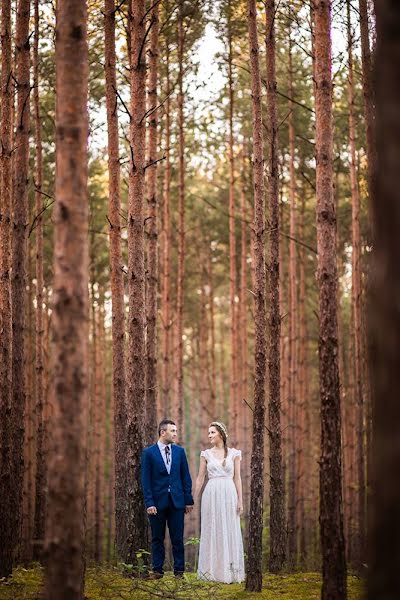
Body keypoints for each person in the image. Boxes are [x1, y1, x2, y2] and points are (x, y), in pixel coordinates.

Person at [141, 419, 194, 579]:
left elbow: (186, 477)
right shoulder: (149, 453)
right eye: (173, 431)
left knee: (177, 538)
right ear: (162, 432)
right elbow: (146, 480)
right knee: (157, 538)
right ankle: (157, 571)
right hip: (157, 504)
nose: (175, 434)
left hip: (177, 502)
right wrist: (149, 502)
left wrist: (188, 499)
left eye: (176, 431)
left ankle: (179, 572)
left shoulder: (179, 451)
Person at [194, 421, 245, 583]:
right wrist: (193, 498)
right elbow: (200, 478)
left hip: (229, 493)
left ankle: (230, 572)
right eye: (208, 433)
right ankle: (211, 571)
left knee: (229, 528)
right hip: (211, 494)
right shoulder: (205, 454)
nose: (209, 435)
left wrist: (240, 500)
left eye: (212, 432)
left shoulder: (234, 454)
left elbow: (237, 478)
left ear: (221, 434)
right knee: (213, 528)